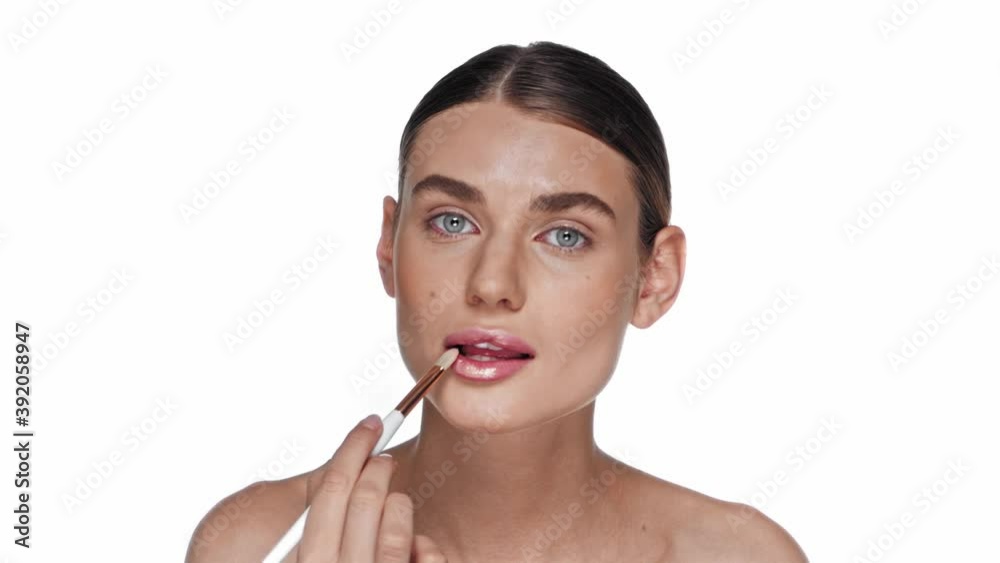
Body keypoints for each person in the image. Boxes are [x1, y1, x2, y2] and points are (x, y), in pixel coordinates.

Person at [185, 40, 809, 562]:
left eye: (565, 235)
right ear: (388, 247)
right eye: (453, 223)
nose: (492, 284)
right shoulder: (257, 541)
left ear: (655, 278)